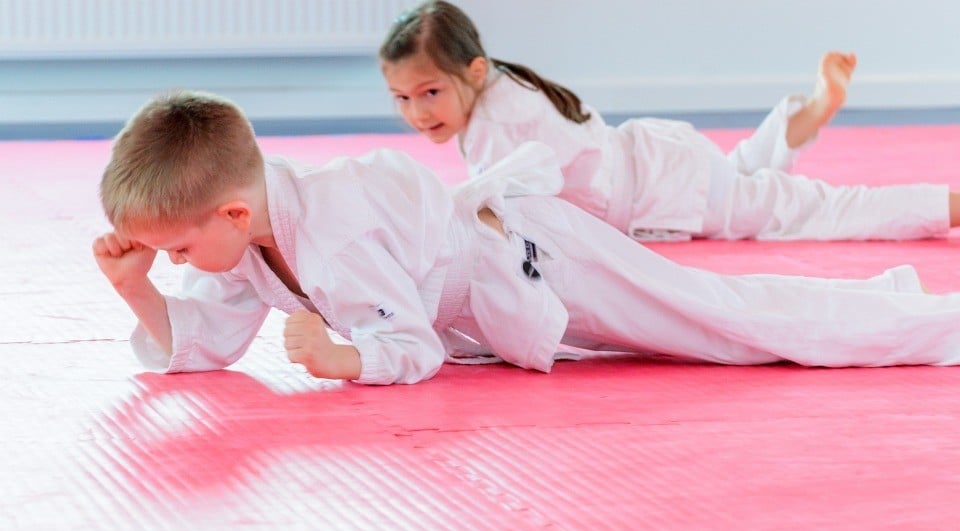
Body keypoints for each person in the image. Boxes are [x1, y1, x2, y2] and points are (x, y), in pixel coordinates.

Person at [93, 90, 960, 386]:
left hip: (539, 253)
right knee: (721, 319)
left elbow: (410, 348)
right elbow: (205, 342)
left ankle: (935, 326)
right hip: (511, 283)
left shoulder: (336, 227)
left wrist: (344, 358)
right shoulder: (249, 238)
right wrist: (137, 289)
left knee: (729, 329)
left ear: (232, 215)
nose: (178, 266)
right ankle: (887, 303)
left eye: (175, 251)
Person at [379, 1, 960, 242]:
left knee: (817, 211)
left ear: (473, 71)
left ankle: (948, 204)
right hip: (664, 159)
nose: (417, 112)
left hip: (666, 190)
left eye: (429, 92)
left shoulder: (498, 124)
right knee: (744, 178)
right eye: (401, 99)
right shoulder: (504, 86)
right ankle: (811, 112)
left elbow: (502, 213)